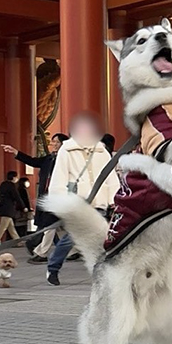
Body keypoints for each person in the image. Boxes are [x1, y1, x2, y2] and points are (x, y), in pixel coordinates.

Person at [46, 113, 119, 286]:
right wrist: (60, 201)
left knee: (101, 237)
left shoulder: (101, 150)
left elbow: (110, 176)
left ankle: (100, 272)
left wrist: (113, 199)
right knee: (72, 237)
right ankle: (53, 267)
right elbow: (59, 177)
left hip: (99, 200)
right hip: (78, 201)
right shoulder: (67, 150)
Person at [2, 133, 69, 262]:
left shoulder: (67, 160)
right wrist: (15, 152)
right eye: (53, 142)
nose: (54, 145)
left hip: (61, 198)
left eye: (57, 142)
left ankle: (43, 252)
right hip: (46, 198)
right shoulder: (49, 159)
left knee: (53, 225)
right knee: (50, 225)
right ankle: (45, 251)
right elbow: (32, 161)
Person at [0, 171, 27, 244]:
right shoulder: (11, 185)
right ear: (14, 177)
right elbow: (17, 197)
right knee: (3, 226)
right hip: (9, 208)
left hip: (3, 207)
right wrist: (23, 206)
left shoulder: (3, 184)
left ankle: (17, 241)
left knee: (11, 227)